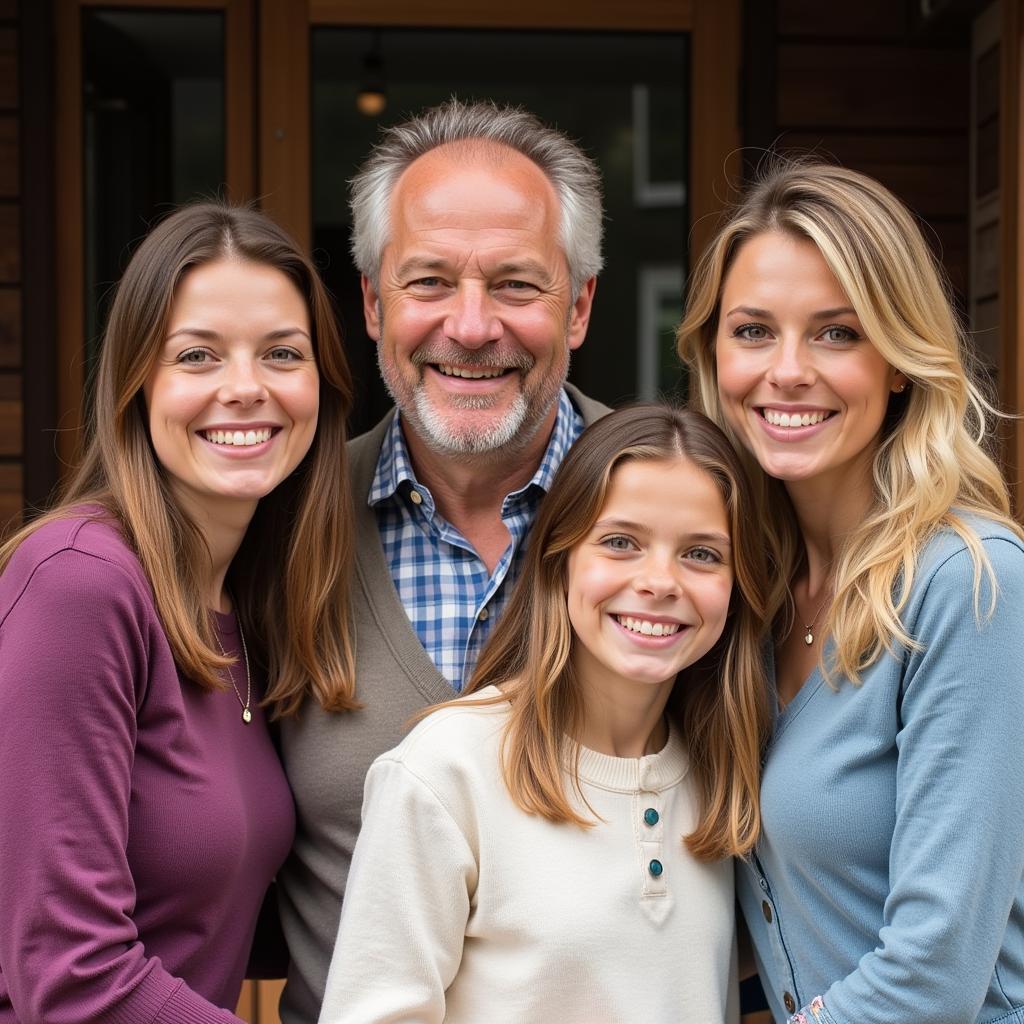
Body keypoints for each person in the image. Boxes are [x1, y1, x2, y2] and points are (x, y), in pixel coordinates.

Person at [277, 98, 610, 1022]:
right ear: (374, 303)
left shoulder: (695, 520)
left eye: (516, 284)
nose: (470, 326)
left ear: (578, 305)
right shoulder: (279, 529)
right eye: (428, 283)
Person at [677, 161, 1024, 1024]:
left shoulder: (971, 585)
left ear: (900, 361)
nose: (787, 371)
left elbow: (933, 977)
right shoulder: (749, 588)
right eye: (753, 331)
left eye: (836, 334)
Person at [0, 203, 356, 1021]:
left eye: (281, 354)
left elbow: (213, 908)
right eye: (197, 355)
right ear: (138, 384)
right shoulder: (79, 585)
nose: (244, 388)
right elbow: (70, 976)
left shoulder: (246, 602)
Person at [317, 405, 771, 1023]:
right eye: (620, 543)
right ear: (559, 561)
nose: (661, 581)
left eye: (701, 554)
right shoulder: (445, 770)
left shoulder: (725, 777)